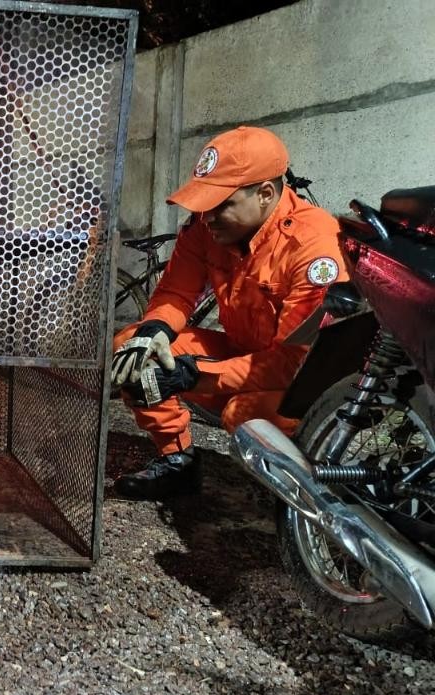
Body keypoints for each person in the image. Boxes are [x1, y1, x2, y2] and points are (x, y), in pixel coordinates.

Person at [110, 126, 345, 499]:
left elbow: (293, 363)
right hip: (244, 355)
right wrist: (153, 331)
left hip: (302, 385)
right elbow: (175, 292)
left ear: (265, 194)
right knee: (134, 344)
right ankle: (177, 462)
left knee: (243, 414)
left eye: (221, 204)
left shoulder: (314, 247)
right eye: (204, 204)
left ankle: (310, 491)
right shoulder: (207, 229)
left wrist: (191, 374)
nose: (207, 217)